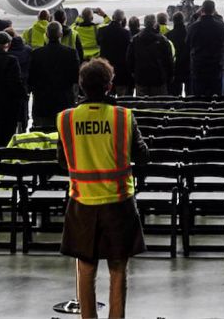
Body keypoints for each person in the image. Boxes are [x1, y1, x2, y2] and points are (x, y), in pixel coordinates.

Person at [56, 58, 149, 319]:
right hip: (118, 202)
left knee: (85, 269)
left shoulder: (65, 119)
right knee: (118, 268)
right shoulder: (123, 117)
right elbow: (142, 156)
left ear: (81, 86)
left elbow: (63, 161)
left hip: (82, 202)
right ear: (110, 86)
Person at [28, 22, 80, 131]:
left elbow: (30, 80)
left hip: (42, 104)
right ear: (61, 34)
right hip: (64, 102)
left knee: (44, 137)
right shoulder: (71, 53)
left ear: (46, 35)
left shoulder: (36, 54)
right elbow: (76, 78)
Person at [185, 0, 224, 97]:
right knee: (216, 97)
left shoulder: (194, 27)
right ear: (213, 10)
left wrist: (195, 16)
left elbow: (187, 43)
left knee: (198, 97)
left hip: (199, 66)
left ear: (202, 10)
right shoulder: (221, 26)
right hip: (216, 66)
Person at [97, 10, 133, 96]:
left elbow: (98, 43)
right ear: (123, 19)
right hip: (121, 70)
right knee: (122, 97)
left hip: (106, 68)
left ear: (112, 17)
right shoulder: (126, 33)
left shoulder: (102, 31)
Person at [166, 12, 189, 96]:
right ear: (183, 20)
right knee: (190, 94)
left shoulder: (168, 35)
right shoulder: (189, 33)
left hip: (174, 67)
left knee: (174, 94)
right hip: (188, 67)